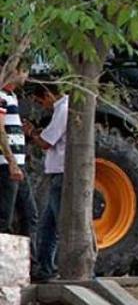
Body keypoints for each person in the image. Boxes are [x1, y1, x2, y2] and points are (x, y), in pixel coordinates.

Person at [25, 82, 69, 282]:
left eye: (40, 101)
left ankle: (55, 266)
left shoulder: (63, 109)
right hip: (56, 174)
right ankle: (46, 267)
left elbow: (46, 142)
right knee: (48, 225)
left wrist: (32, 133)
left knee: (57, 225)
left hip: (61, 173)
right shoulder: (62, 109)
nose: (42, 106)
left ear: (49, 94)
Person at [0, 68, 39, 270]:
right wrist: (12, 162)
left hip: (17, 164)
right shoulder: (1, 95)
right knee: (4, 217)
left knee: (30, 214)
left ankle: (28, 264)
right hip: (8, 165)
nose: (25, 75)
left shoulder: (12, 96)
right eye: (22, 70)